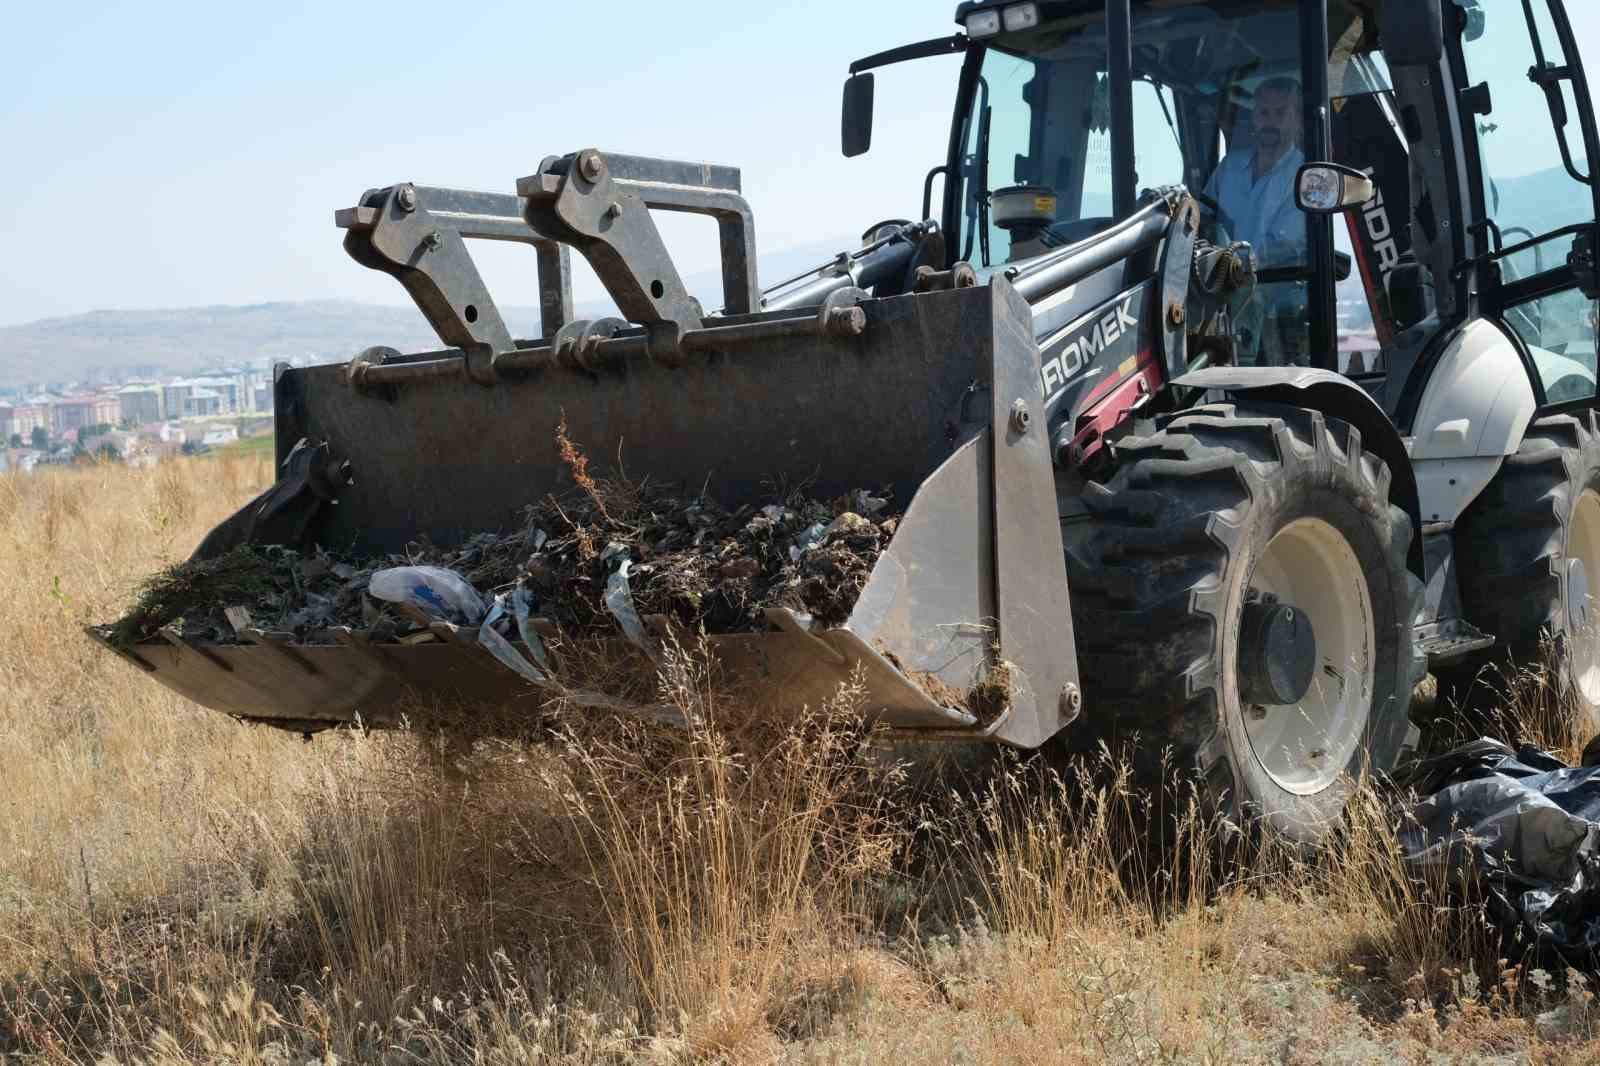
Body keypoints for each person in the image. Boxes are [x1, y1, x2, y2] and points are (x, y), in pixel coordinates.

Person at [1203, 76, 1309, 270]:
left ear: (1298, 118)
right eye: (1264, 112)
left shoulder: (1305, 176)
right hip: (1220, 288)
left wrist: (1225, 264)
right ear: (1254, 116)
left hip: (1278, 289)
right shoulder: (1230, 166)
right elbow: (1204, 219)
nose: (1270, 121)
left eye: (1280, 113)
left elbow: (1285, 246)